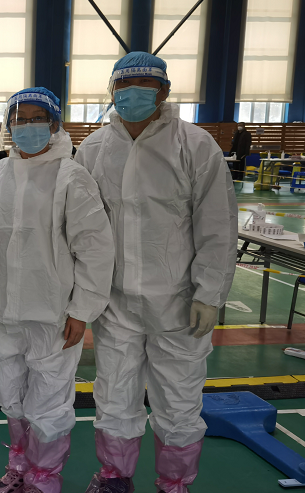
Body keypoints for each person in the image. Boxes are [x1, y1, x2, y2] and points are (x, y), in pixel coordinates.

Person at [75, 52, 238, 493]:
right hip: (115, 302)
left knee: (179, 399)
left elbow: (218, 224)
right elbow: (81, 229)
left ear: (164, 91)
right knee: (114, 394)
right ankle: (114, 477)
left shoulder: (195, 145)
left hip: (178, 303)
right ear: (111, 91)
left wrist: (209, 293)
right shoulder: (93, 149)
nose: (134, 94)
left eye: (146, 85)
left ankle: (174, 482)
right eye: (124, 86)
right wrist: (83, 293)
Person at [0, 88, 115, 493]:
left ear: (55, 124)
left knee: (50, 402)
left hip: (54, 314)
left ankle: (44, 477)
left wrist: (81, 310)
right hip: (3, 314)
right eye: (19, 119)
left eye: (37, 118)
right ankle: (19, 467)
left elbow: (94, 247)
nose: (27, 126)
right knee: (9, 394)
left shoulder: (71, 177)